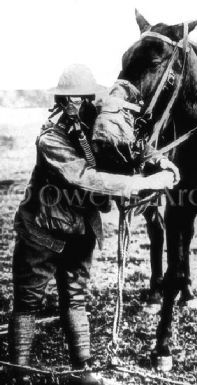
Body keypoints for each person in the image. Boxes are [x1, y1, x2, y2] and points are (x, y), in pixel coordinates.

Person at [8, 64, 179, 385]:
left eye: (80, 98)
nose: (74, 104)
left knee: (75, 298)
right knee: (28, 301)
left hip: (80, 231)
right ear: (59, 100)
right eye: (67, 99)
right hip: (41, 230)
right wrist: (141, 184)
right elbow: (86, 178)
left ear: (88, 97)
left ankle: (82, 365)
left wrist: (160, 162)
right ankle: (18, 370)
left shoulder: (98, 128)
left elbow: (131, 145)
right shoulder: (51, 138)